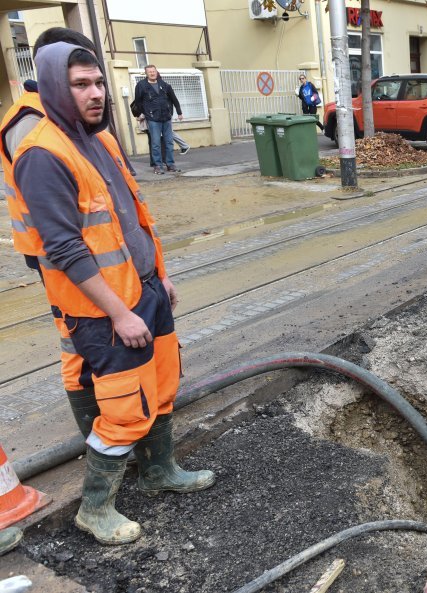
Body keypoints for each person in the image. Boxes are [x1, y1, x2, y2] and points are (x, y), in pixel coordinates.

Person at [10, 39, 214, 546]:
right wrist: (119, 312)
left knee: (164, 385)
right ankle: (95, 509)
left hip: (145, 289)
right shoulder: (41, 152)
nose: (95, 93)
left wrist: (159, 275)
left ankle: (160, 470)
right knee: (124, 409)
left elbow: (133, 217)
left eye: (99, 82)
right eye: (81, 85)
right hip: (103, 309)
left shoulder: (96, 139)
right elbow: (64, 249)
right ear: (57, 86)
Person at [1, 27, 106, 443]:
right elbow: (51, 200)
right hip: (53, 251)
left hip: (84, 243)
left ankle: (110, 415)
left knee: (93, 332)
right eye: (78, 79)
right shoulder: (29, 122)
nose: (92, 90)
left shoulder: (60, 114)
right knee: (76, 339)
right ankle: (92, 430)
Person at [133, 64, 183, 174]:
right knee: (155, 143)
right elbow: (138, 101)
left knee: (169, 142)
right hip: (153, 118)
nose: (152, 73)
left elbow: (174, 99)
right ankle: (158, 166)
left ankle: (170, 164)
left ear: (156, 72)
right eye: (149, 71)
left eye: (153, 71)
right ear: (146, 73)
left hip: (166, 117)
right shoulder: (141, 85)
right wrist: (144, 113)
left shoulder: (164, 85)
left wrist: (179, 112)